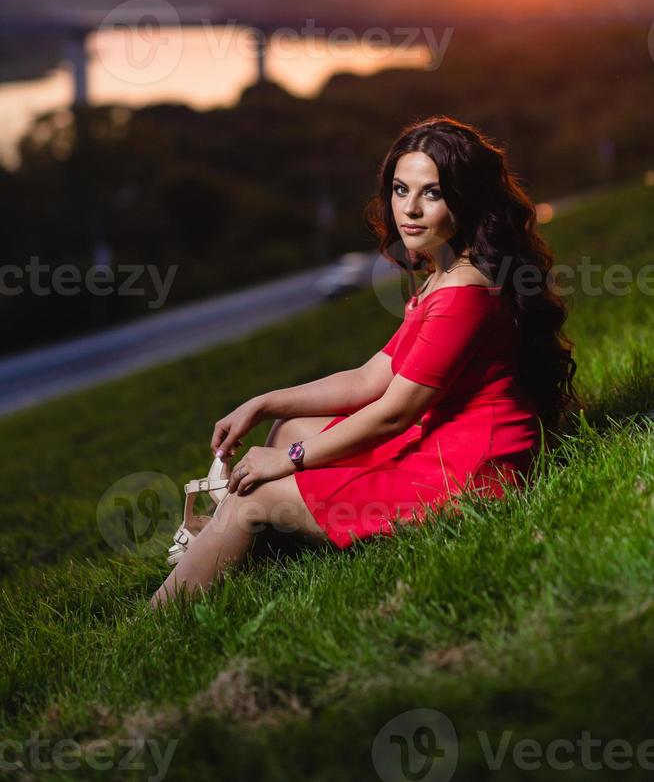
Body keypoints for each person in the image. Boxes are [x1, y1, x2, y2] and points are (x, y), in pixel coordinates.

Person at [149, 115, 579, 609]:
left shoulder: (465, 293)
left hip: (465, 473)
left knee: (257, 494)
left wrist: (284, 463)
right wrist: (264, 403)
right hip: (444, 440)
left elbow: (395, 412)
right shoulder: (446, 273)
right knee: (292, 426)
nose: (409, 210)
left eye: (432, 194)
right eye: (400, 189)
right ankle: (239, 542)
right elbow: (372, 376)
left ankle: (156, 618)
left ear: (468, 198)